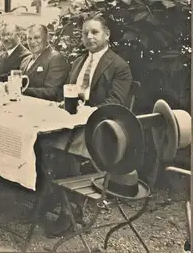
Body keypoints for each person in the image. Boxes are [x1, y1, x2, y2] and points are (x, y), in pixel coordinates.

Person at [42, 15, 133, 237]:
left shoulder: (119, 66)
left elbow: (115, 105)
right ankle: (48, 194)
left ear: (106, 35)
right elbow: (71, 90)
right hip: (72, 123)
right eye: (85, 33)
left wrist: (83, 110)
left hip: (101, 128)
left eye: (94, 32)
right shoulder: (78, 62)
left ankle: (70, 211)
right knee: (39, 138)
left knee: (63, 147)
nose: (89, 37)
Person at [20, 24, 70, 102]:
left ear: (46, 38)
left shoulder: (55, 58)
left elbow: (53, 92)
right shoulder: (25, 60)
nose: (32, 42)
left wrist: (20, 90)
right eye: (29, 38)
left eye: (36, 37)